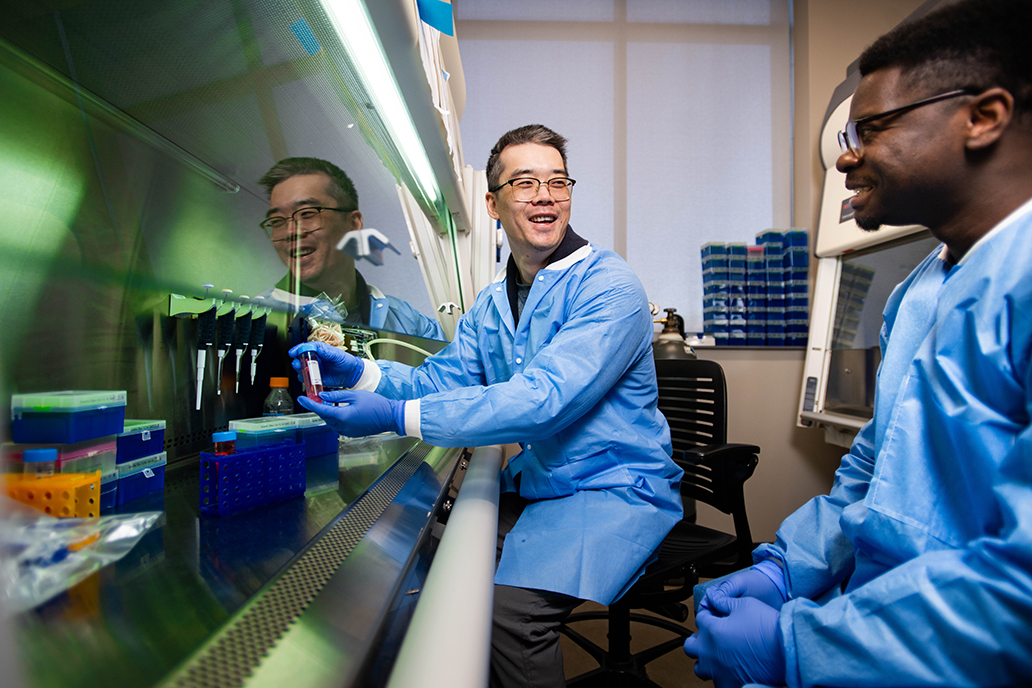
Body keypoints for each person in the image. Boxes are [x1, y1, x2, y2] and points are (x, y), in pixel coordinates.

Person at [683, 1, 1032, 686]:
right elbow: (873, 473)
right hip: (879, 629)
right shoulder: (921, 290)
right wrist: (788, 568)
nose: (846, 155)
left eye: (869, 129)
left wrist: (800, 646)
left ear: (983, 117)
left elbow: (1018, 590)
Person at [289, 125, 684, 687]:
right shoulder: (493, 303)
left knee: (508, 616)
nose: (545, 196)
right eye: (525, 183)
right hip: (546, 487)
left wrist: (394, 416)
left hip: (615, 491)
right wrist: (370, 373)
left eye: (557, 182)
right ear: (493, 203)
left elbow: (543, 400)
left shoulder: (611, 287)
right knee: (436, 567)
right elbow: (441, 379)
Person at [256, 157, 445, 341]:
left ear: (353, 223)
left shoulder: (406, 321)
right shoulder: (254, 323)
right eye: (277, 221)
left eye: (307, 214)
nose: (291, 232)